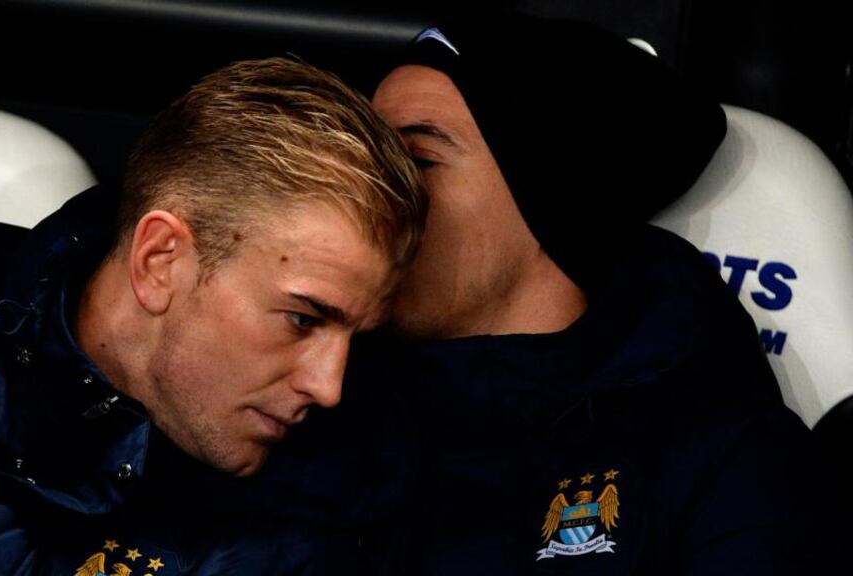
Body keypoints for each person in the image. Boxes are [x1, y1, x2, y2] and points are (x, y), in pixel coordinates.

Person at [0, 57, 426, 574]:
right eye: (302, 319)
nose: (328, 385)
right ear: (160, 260)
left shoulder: (314, 524)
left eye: (356, 335)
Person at [353, 8, 836, 574]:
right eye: (361, 161)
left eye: (416, 160)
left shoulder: (726, 466)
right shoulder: (305, 404)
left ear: (550, 197)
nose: (369, 196)